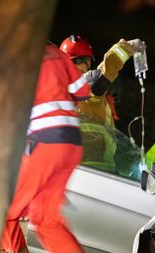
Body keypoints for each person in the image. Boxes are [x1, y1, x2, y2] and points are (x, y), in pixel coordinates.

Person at [0, 43, 107, 253]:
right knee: (46, 221)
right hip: (70, 143)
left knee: (3, 206)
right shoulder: (57, 54)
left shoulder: (12, 51)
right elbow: (81, 91)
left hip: (43, 140)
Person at [59, 35, 144, 170]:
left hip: (73, 166)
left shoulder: (59, 88)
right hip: (95, 168)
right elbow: (107, 70)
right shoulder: (85, 85)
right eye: (88, 60)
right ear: (85, 61)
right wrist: (127, 47)